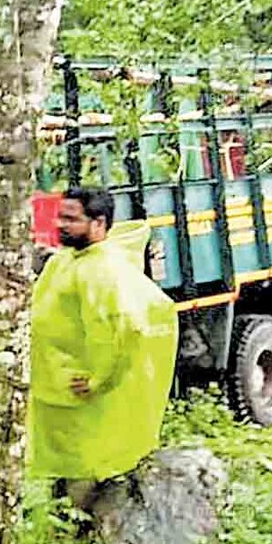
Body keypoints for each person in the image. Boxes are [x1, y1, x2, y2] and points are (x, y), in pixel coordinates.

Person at [28, 188, 179, 510]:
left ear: (98, 223)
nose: (61, 224)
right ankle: (64, 543)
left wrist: (99, 380)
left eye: (71, 218)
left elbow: (126, 330)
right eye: (60, 216)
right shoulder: (69, 259)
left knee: (85, 477)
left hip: (85, 399)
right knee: (64, 476)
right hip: (58, 392)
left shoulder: (104, 271)